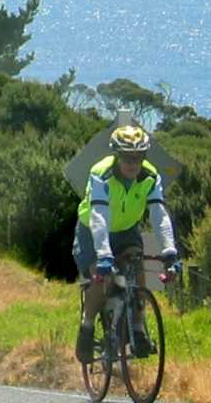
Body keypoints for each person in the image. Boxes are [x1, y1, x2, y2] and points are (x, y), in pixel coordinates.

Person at [75, 124, 180, 363]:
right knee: (102, 279)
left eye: (138, 157)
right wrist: (103, 255)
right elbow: (99, 215)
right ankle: (87, 325)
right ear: (117, 155)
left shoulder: (150, 176)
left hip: (126, 229)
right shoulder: (101, 173)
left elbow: (158, 214)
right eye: (127, 158)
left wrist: (169, 251)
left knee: (137, 269)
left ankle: (138, 328)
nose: (132, 164)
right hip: (92, 229)